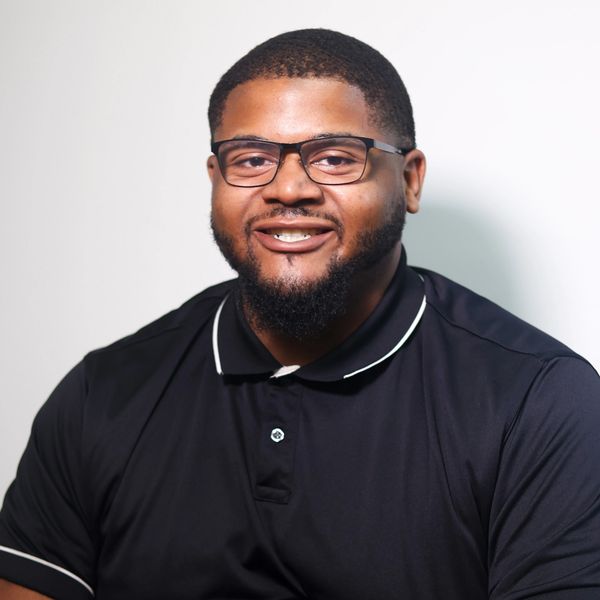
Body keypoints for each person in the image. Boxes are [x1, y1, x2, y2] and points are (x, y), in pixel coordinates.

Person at [0, 28, 599, 600]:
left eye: (335, 158)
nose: (288, 189)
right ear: (215, 179)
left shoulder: (538, 401)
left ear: (410, 180)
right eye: (251, 159)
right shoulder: (103, 395)